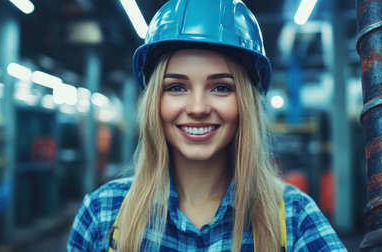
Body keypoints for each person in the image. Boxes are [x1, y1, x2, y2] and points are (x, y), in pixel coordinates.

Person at [67, 0, 348, 251]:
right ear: (155, 102)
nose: (198, 108)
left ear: (246, 104)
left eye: (221, 88)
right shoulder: (102, 214)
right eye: (176, 87)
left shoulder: (294, 217)